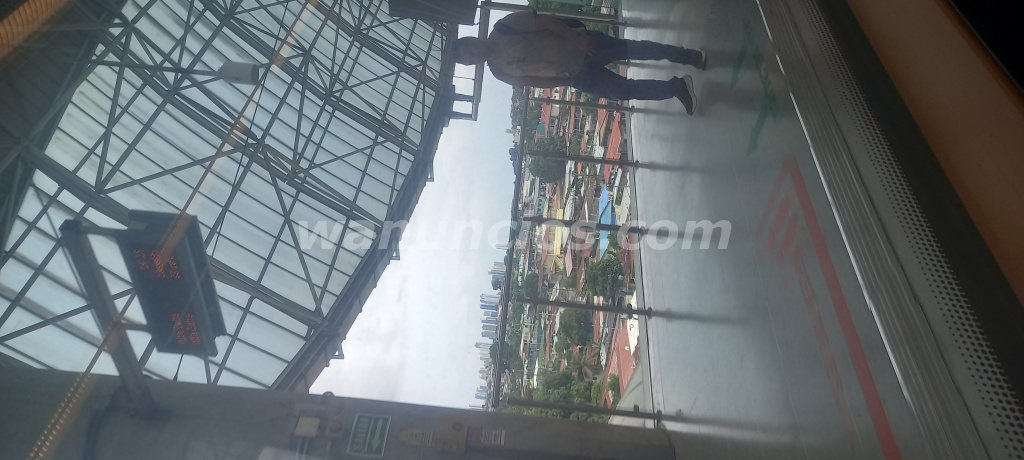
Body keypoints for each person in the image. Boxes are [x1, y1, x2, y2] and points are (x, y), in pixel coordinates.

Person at [454, 9, 706, 114]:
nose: (474, 56)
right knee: (624, 91)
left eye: (470, 51)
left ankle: (685, 55)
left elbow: (545, 22)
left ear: (473, 40)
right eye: (470, 61)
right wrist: (567, 82)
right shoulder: (499, 72)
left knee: (638, 50)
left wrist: (577, 38)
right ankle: (677, 88)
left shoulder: (504, 26)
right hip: (576, 75)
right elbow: (532, 80)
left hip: (583, 45)